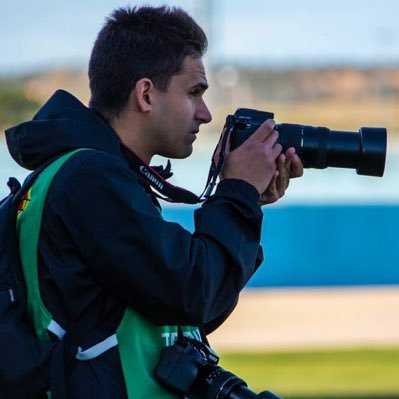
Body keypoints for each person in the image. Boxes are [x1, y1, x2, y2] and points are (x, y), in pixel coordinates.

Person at [5, 5, 303, 399]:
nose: (205, 113)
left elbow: (187, 314)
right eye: (194, 93)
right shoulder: (90, 177)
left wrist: (246, 202)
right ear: (146, 94)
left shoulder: (95, 174)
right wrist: (236, 195)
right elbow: (189, 291)